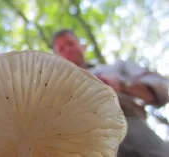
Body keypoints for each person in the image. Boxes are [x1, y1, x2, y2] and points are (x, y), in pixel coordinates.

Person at [52, 29, 169, 157]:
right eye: (61, 49)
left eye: (70, 44)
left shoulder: (115, 68)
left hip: (130, 123)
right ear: (57, 58)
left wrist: (122, 86)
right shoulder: (56, 91)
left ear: (83, 46)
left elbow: (161, 90)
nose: (67, 50)